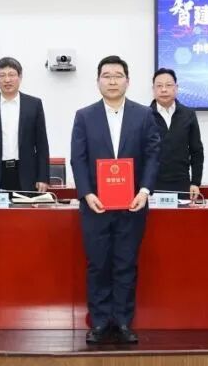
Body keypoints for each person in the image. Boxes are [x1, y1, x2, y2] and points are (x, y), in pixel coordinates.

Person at [70, 55, 161, 344]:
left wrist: (144, 191)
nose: (112, 81)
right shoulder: (84, 116)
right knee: (98, 264)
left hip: (132, 205)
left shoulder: (143, 115)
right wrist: (87, 193)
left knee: (125, 264)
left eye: (118, 75)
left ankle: (122, 321)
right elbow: (78, 159)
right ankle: (99, 322)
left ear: (127, 81)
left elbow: (153, 155)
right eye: (106, 76)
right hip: (95, 206)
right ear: (98, 81)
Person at [0, 57, 50, 195]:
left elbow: (42, 144)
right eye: (2, 75)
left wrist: (43, 177)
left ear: (20, 77)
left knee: (25, 210)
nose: (7, 80)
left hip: (26, 175)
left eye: (12, 75)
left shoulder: (34, 104)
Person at [149, 68, 204, 200]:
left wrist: (195, 182)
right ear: (153, 89)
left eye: (168, 85)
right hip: (152, 184)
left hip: (181, 183)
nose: (164, 90)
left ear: (176, 88)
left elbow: (196, 151)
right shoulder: (144, 115)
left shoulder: (188, 114)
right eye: (159, 86)